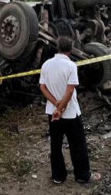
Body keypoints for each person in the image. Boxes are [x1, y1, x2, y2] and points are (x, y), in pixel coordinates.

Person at [39, 36, 100, 185]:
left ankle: (58, 176)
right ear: (71, 49)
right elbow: (70, 89)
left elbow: (42, 87)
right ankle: (82, 175)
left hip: (52, 113)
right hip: (70, 113)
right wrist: (61, 108)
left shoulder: (46, 65)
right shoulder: (71, 66)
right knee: (77, 144)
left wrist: (55, 104)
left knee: (56, 144)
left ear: (57, 48)